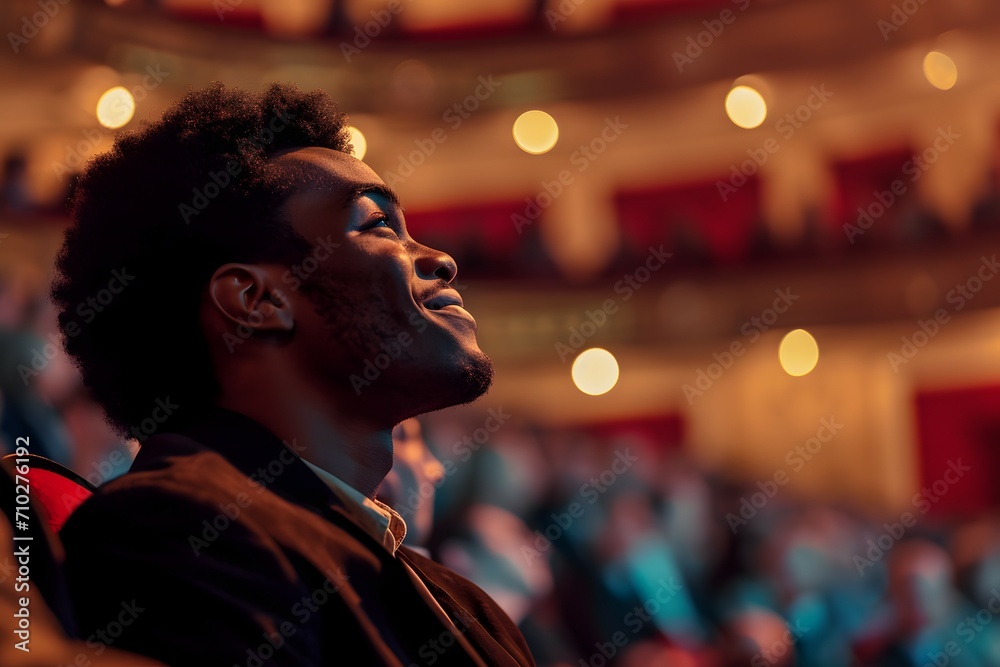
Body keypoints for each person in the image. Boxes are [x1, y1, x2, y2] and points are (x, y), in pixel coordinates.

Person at [51, 82, 534, 666]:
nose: (440, 258)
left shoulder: (469, 606)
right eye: (380, 225)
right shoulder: (179, 531)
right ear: (255, 300)